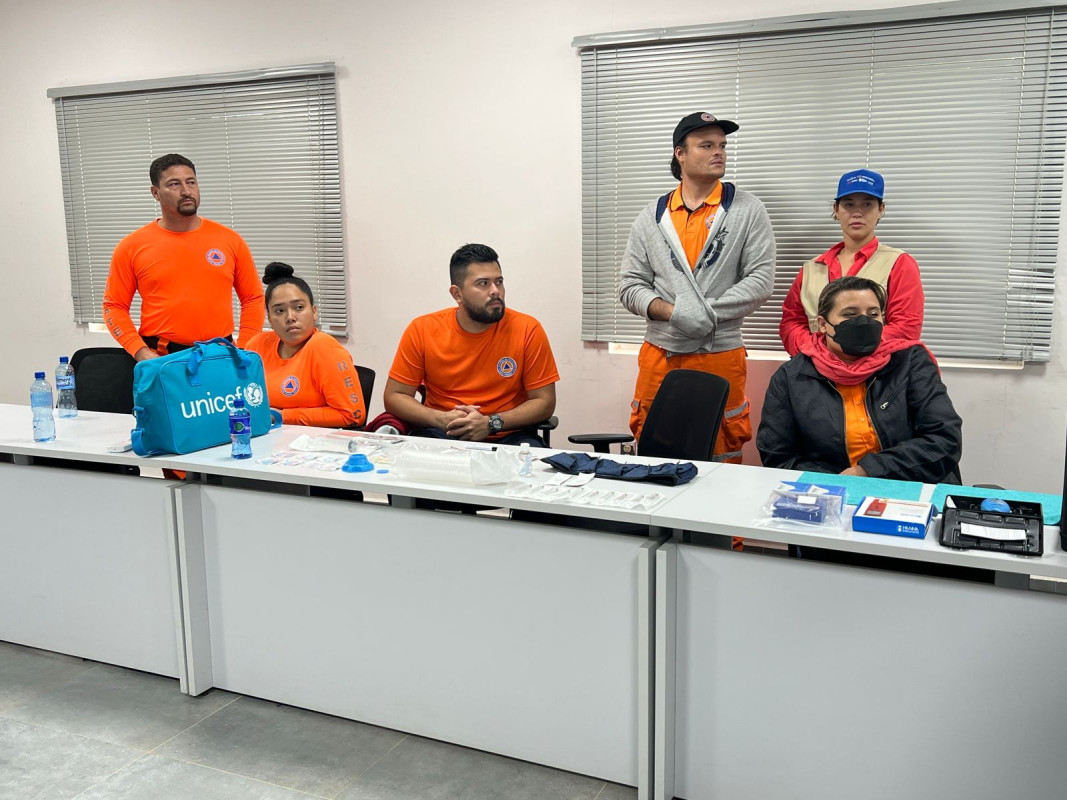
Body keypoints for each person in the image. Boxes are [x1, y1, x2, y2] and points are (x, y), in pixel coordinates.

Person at [619, 112, 776, 463]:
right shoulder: (651, 216)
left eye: (722, 145)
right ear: (680, 154)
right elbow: (630, 286)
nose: (719, 152)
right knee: (655, 452)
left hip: (720, 353)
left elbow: (760, 281)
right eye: (706, 145)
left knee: (721, 448)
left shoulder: (748, 210)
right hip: (661, 353)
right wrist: (674, 313)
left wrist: (701, 315)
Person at [757, 276, 961, 483]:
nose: (864, 322)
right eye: (850, 314)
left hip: (911, 484)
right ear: (823, 324)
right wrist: (838, 484)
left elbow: (944, 439)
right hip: (830, 489)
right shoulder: (792, 377)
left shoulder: (910, 362)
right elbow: (778, 456)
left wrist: (867, 472)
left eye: (873, 314)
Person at [383, 243, 559, 446]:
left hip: (508, 434)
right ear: (457, 294)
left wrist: (491, 423)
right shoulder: (422, 329)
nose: (495, 291)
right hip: (441, 432)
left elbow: (545, 402)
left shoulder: (528, 329)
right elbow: (394, 396)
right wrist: (440, 419)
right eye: (483, 283)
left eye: (499, 282)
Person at [103, 153, 264, 360]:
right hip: (161, 356)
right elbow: (114, 306)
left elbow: (253, 298)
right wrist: (140, 351)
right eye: (174, 184)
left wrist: (244, 347)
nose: (186, 191)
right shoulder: (131, 247)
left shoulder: (230, 240)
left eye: (191, 182)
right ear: (155, 193)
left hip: (221, 354)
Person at [779, 168, 923, 356]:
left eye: (867, 204)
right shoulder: (811, 269)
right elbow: (791, 323)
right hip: (814, 367)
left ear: (881, 209)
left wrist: (849, 351)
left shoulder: (899, 263)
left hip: (877, 370)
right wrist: (818, 353)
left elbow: (906, 327)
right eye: (849, 204)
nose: (857, 213)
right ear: (836, 209)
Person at [246, 263, 365, 428]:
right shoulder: (257, 346)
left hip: (313, 440)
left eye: (299, 308)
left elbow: (352, 415)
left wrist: (281, 416)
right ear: (270, 319)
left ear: (314, 312)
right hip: (264, 436)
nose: (290, 317)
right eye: (279, 311)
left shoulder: (325, 349)